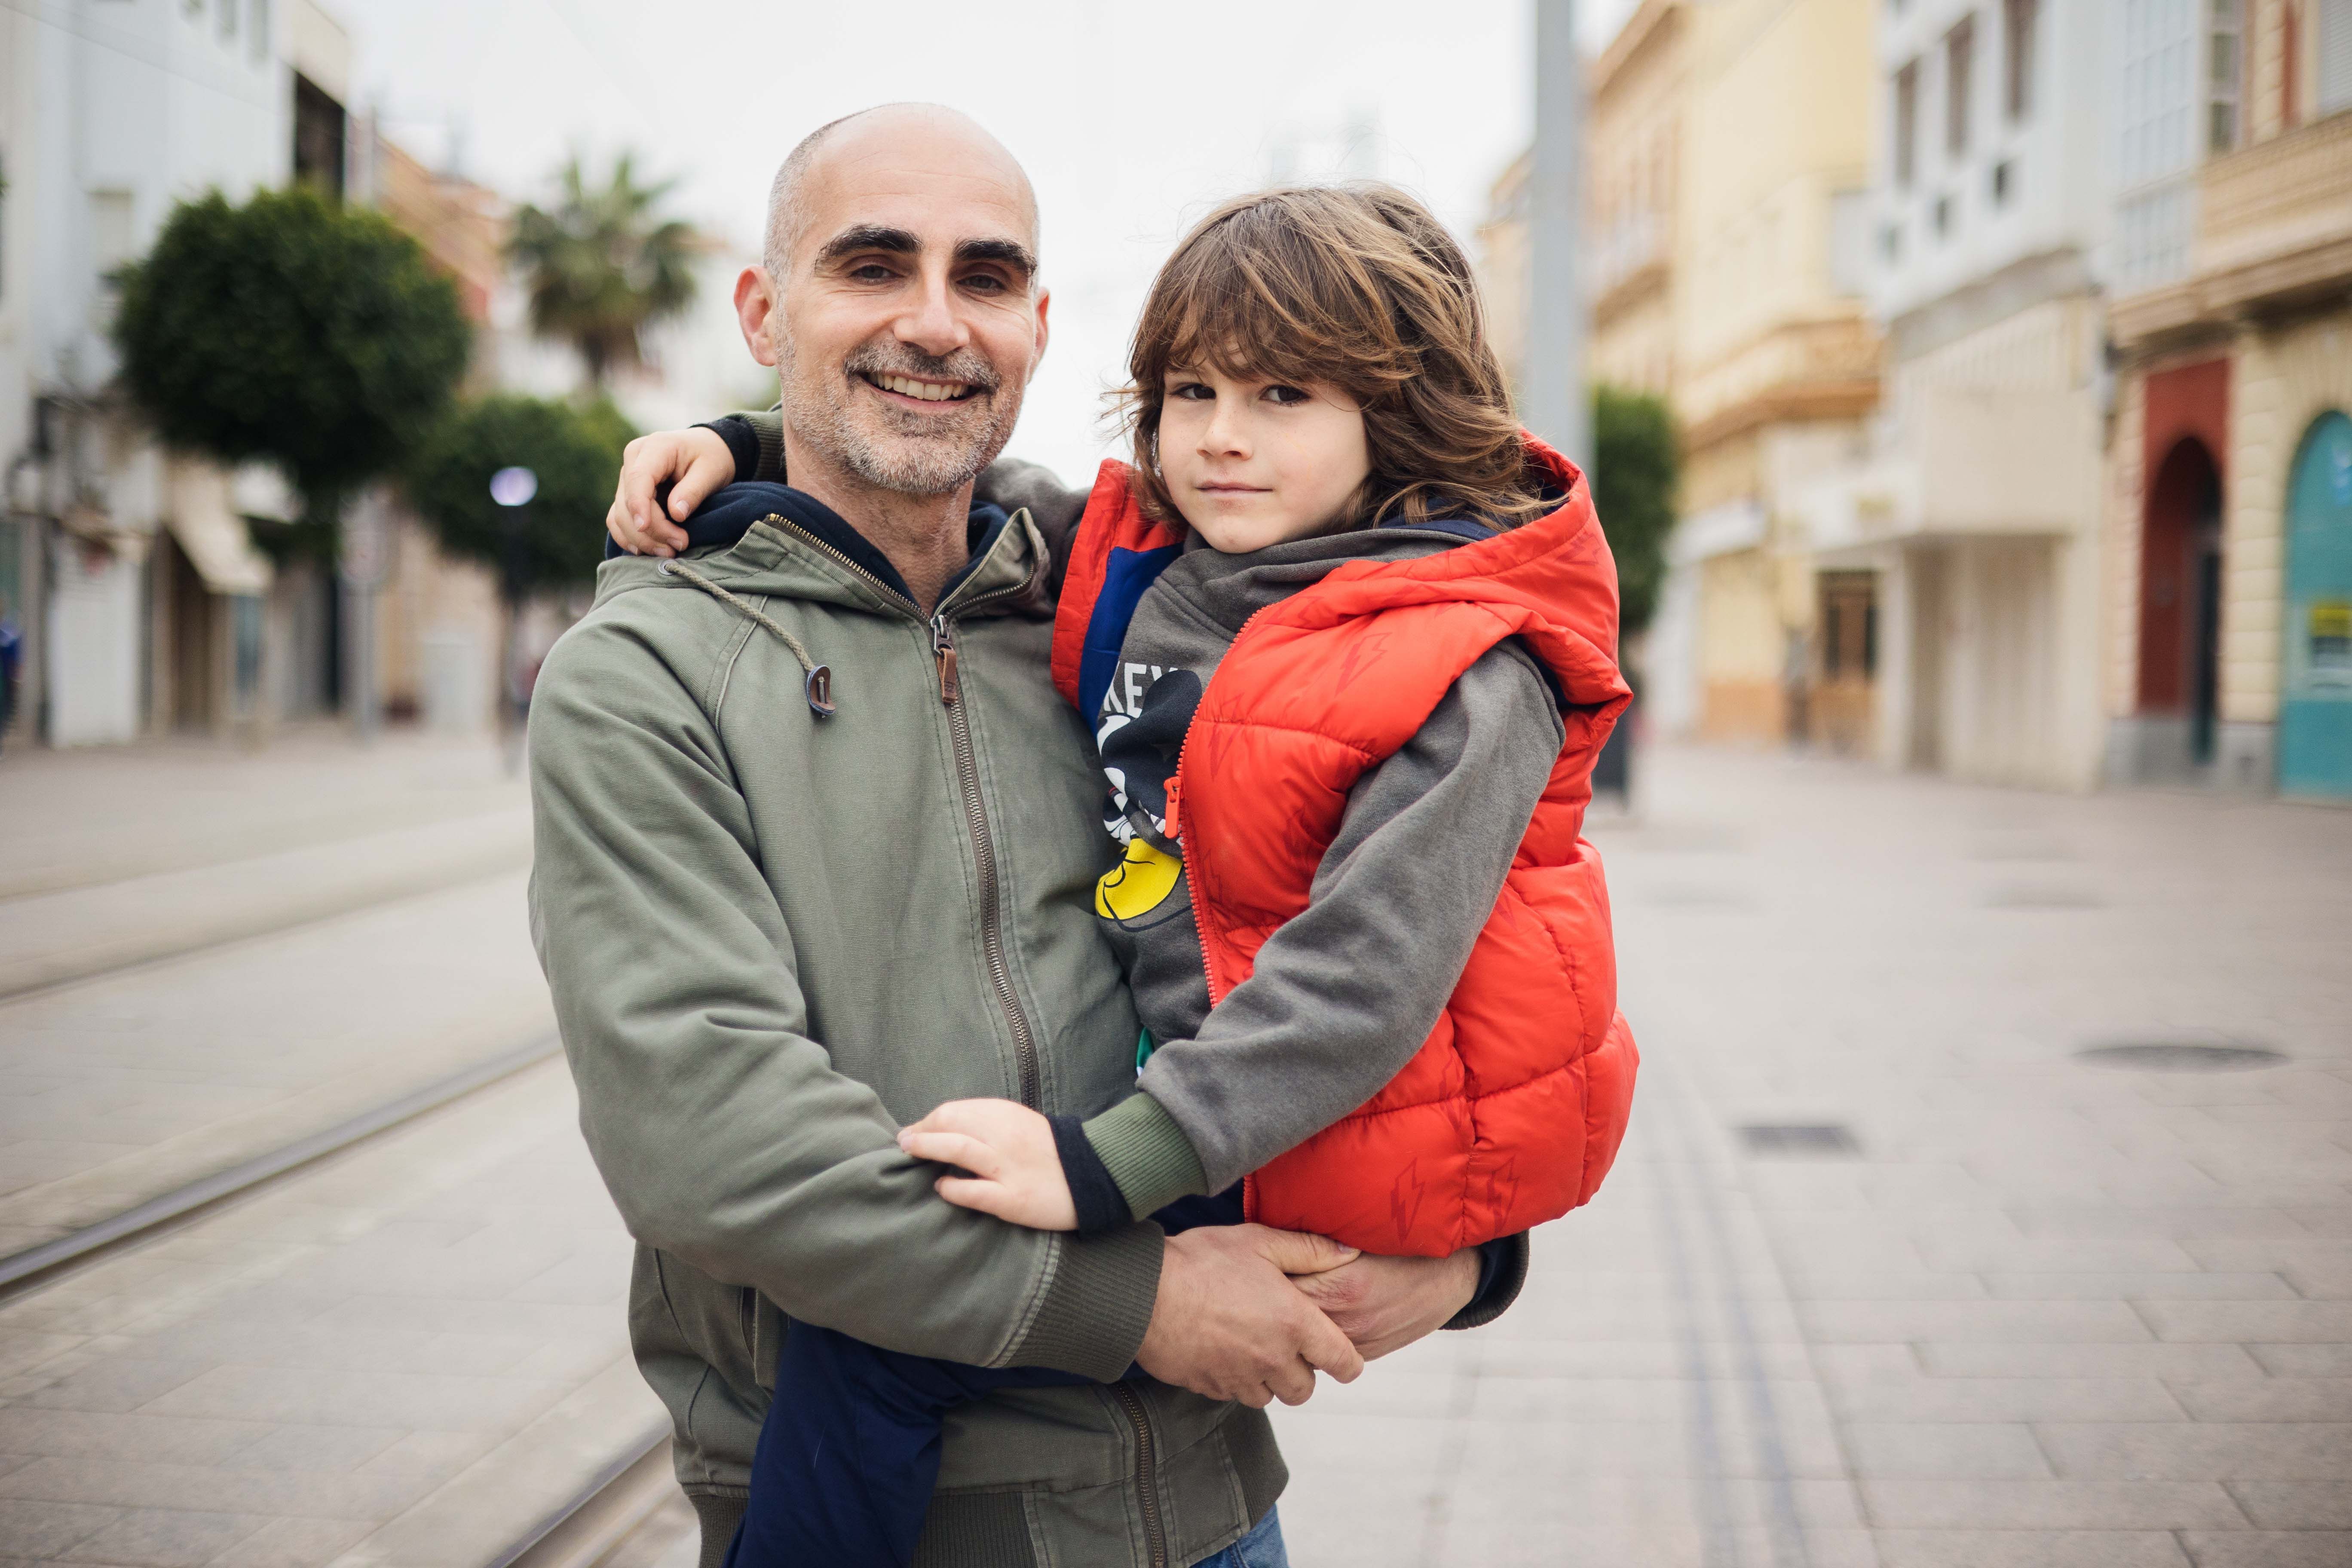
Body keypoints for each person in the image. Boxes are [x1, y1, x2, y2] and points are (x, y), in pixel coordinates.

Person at [609, 183, 1638, 1568]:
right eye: (1188, 390)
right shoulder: (1193, 553)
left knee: (872, 1355)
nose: (1218, 438)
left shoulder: (1467, 665)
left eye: (1283, 394)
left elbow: (1362, 985)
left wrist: (1104, 1171)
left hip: (1300, 1115)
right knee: (880, 1339)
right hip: (1232, 1108)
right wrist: (736, 447)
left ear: (1395, 412)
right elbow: (956, 492)